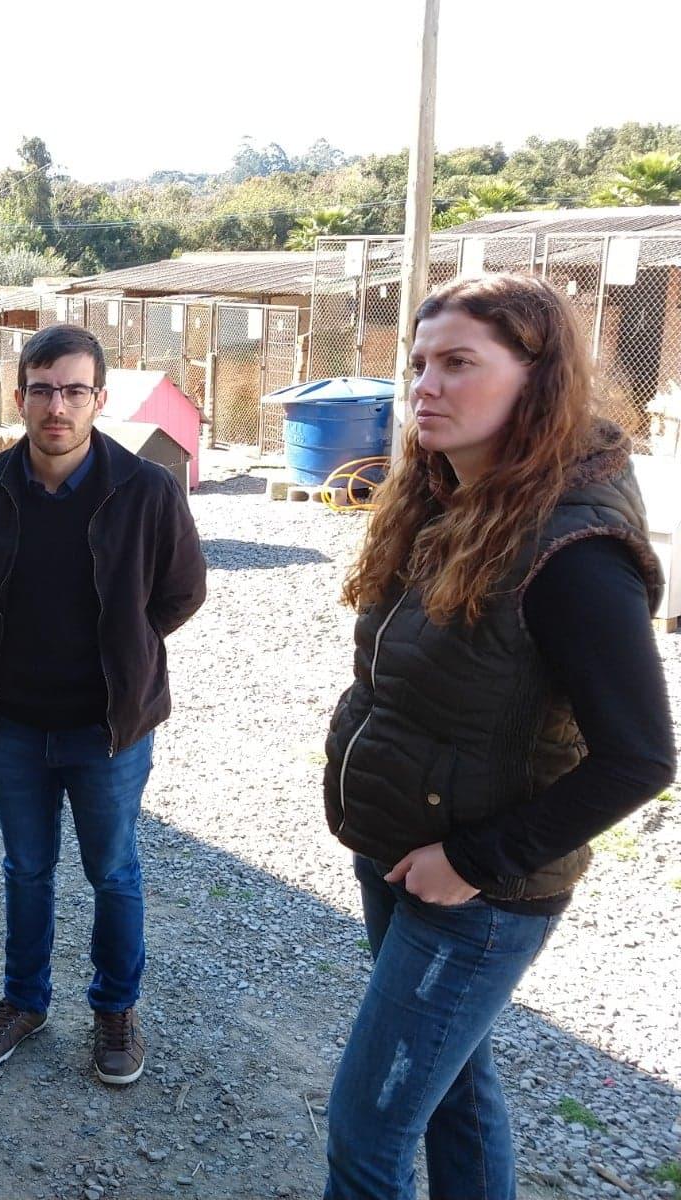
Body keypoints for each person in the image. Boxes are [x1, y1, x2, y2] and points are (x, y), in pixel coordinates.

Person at [321, 273, 675, 1200]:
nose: (424, 388)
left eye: (458, 365)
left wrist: (475, 858)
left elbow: (641, 756)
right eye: (418, 366)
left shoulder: (574, 548)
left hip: (476, 893)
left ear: (536, 379)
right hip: (402, 852)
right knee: (453, 1096)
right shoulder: (451, 498)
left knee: (367, 1130)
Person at [0, 323, 206, 1085]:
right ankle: (24, 1003)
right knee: (25, 871)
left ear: (99, 398)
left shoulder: (147, 489)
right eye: (41, 389)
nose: (55, 406)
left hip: (110, 731)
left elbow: (182, 591)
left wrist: (126, 646)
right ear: (19, 395)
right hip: (15, 724)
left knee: (114, 874)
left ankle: (115, 1011)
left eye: (72, 391)